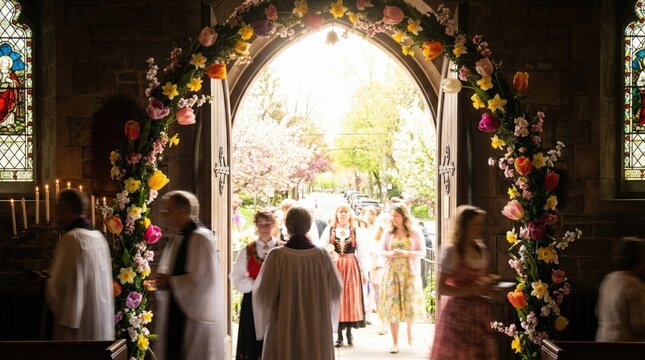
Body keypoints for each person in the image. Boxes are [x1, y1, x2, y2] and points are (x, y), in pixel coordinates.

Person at [252, 206, 342, 359]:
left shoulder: (277, 256)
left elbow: (263, 293)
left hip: (284, 323)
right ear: (308, 226)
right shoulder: (322, 256)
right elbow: (336, 289)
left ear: (287, 226)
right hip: (315, 322)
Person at [151, 191, 225, 360]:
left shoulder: (200, 238)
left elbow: (203, 281)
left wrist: (170, 281)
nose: (165, 215)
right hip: (178, 310)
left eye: (168, 210)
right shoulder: (180, 236)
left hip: (193, 318)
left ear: (182, 210)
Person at [430, 205, 498, 360]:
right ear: (463, 226)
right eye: (475, 224)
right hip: (457, 315)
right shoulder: (451, 251)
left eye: (481, 224)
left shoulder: (481, 249)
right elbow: (441, 288)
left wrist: (490, 284)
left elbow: (482, 278)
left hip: (478, 313)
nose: (479, 228)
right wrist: (473, 289)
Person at [46, 189, 114, 340]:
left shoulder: (72, 238)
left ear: (68, 208)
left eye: (59, 208)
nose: (57, 213)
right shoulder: (99, 238)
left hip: (77, 327)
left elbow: (61, 285)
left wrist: (45, 282)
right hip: (99, 320)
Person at [230, 210, 282, 359]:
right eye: (261, 225)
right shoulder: (248, 250)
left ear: (273, 225)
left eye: (268, 224)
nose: (264, 228)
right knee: (252, 338)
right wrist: (256, 285)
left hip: (277, 301)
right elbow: (236, 277)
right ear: (256, 226)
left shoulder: (281, 249)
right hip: (253, 301)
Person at [319, 203, 369, 347]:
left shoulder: (355, 230)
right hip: (334, 268)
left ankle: (349, 333)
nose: (343, 214)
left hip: (351, 267)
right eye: (340, 212)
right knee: (336, 299)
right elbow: (320, 248)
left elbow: (363, 252)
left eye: (346, 212)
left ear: (350, 215)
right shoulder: (329, 230)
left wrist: (365, 272)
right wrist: (330, 250)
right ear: (336, 214)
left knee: (350, 299)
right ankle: (339, 335)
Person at [379, 205, 425, 353]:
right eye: (392, 216)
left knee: (409, 304)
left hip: (409, 273)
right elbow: (381, 250)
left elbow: (422, 252)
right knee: (393, 306)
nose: (393, 219)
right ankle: (395, 342)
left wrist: (407, 253)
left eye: (396, 216)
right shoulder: (388, 232)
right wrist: (390, 253)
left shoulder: (414, 232)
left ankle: (409, 329)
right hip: (392, 273)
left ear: (404, 216)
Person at [595, 237, 645, 342]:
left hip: (603, 341)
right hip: (625, 347)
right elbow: (639, 325)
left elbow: (598, 312)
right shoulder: (634, 285)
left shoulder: (609, 279)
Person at [0, 55, 20, 127]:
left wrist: (11, 81)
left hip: (10, 94)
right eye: (5, 63)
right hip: (1, 95)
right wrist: (3, 81)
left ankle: (9, 123)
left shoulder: (12, 73)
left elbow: (17, 84)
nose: (7, 64)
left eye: (8, 63)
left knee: (10, 104)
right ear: (1, 64)